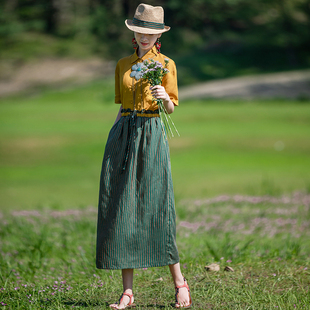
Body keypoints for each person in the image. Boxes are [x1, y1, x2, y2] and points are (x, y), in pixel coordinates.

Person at [96, 3, 192, 309]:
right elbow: (120, 106)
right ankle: (127, 292)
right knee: (122, 205)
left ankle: (180, 283)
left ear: (159, 34)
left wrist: (165, 98)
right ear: (133, 33)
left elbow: (172, 108)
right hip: (123, 133)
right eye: (140, 31)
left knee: (158, 204)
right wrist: (111, 143)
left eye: (151, 32)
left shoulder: (166, 64)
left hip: (151, 134)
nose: (145, 37)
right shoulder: (123, 64)